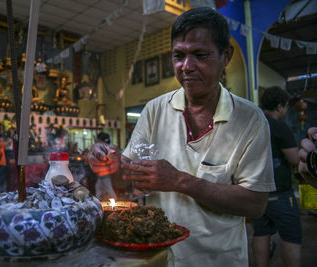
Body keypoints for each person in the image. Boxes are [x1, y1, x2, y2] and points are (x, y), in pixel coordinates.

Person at [88, 7, 275, 266]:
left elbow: (255, 204)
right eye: (179, 56)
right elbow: (126, 182)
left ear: (226, 56)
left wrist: (179, 181)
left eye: (200, 55)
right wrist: (110, 162)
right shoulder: (155, 110)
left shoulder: (250, 120)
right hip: (158, 259)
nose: (186, 66)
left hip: (217, 260)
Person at [252, 87, 301, 267]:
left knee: (261, 233)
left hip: (256, 192)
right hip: (280, 194)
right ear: (280, 106)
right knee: (292, 236)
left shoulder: (252, 124)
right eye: (286, 106)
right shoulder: (280, 127)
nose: (286, 110)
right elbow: (294, 159)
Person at [94, 132, 118, 201]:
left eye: (98, 140)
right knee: (99, 192)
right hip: (101, 176)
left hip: (106, 175)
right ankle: (98, 206)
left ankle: (116, 205)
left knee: (109, 191)